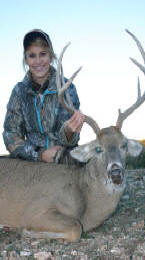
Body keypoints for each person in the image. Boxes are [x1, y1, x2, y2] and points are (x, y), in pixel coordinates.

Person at [3, 29, 85, 163]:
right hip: (32, 162)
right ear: (26, 59)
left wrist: (69, 131)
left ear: (51, 56)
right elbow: (11, 135)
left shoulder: (67, 88)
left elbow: (71, 141)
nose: (38, 61)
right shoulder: (19, 92)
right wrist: (39, 155)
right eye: (32, 55)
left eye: (43, 54)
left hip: (63, 160)